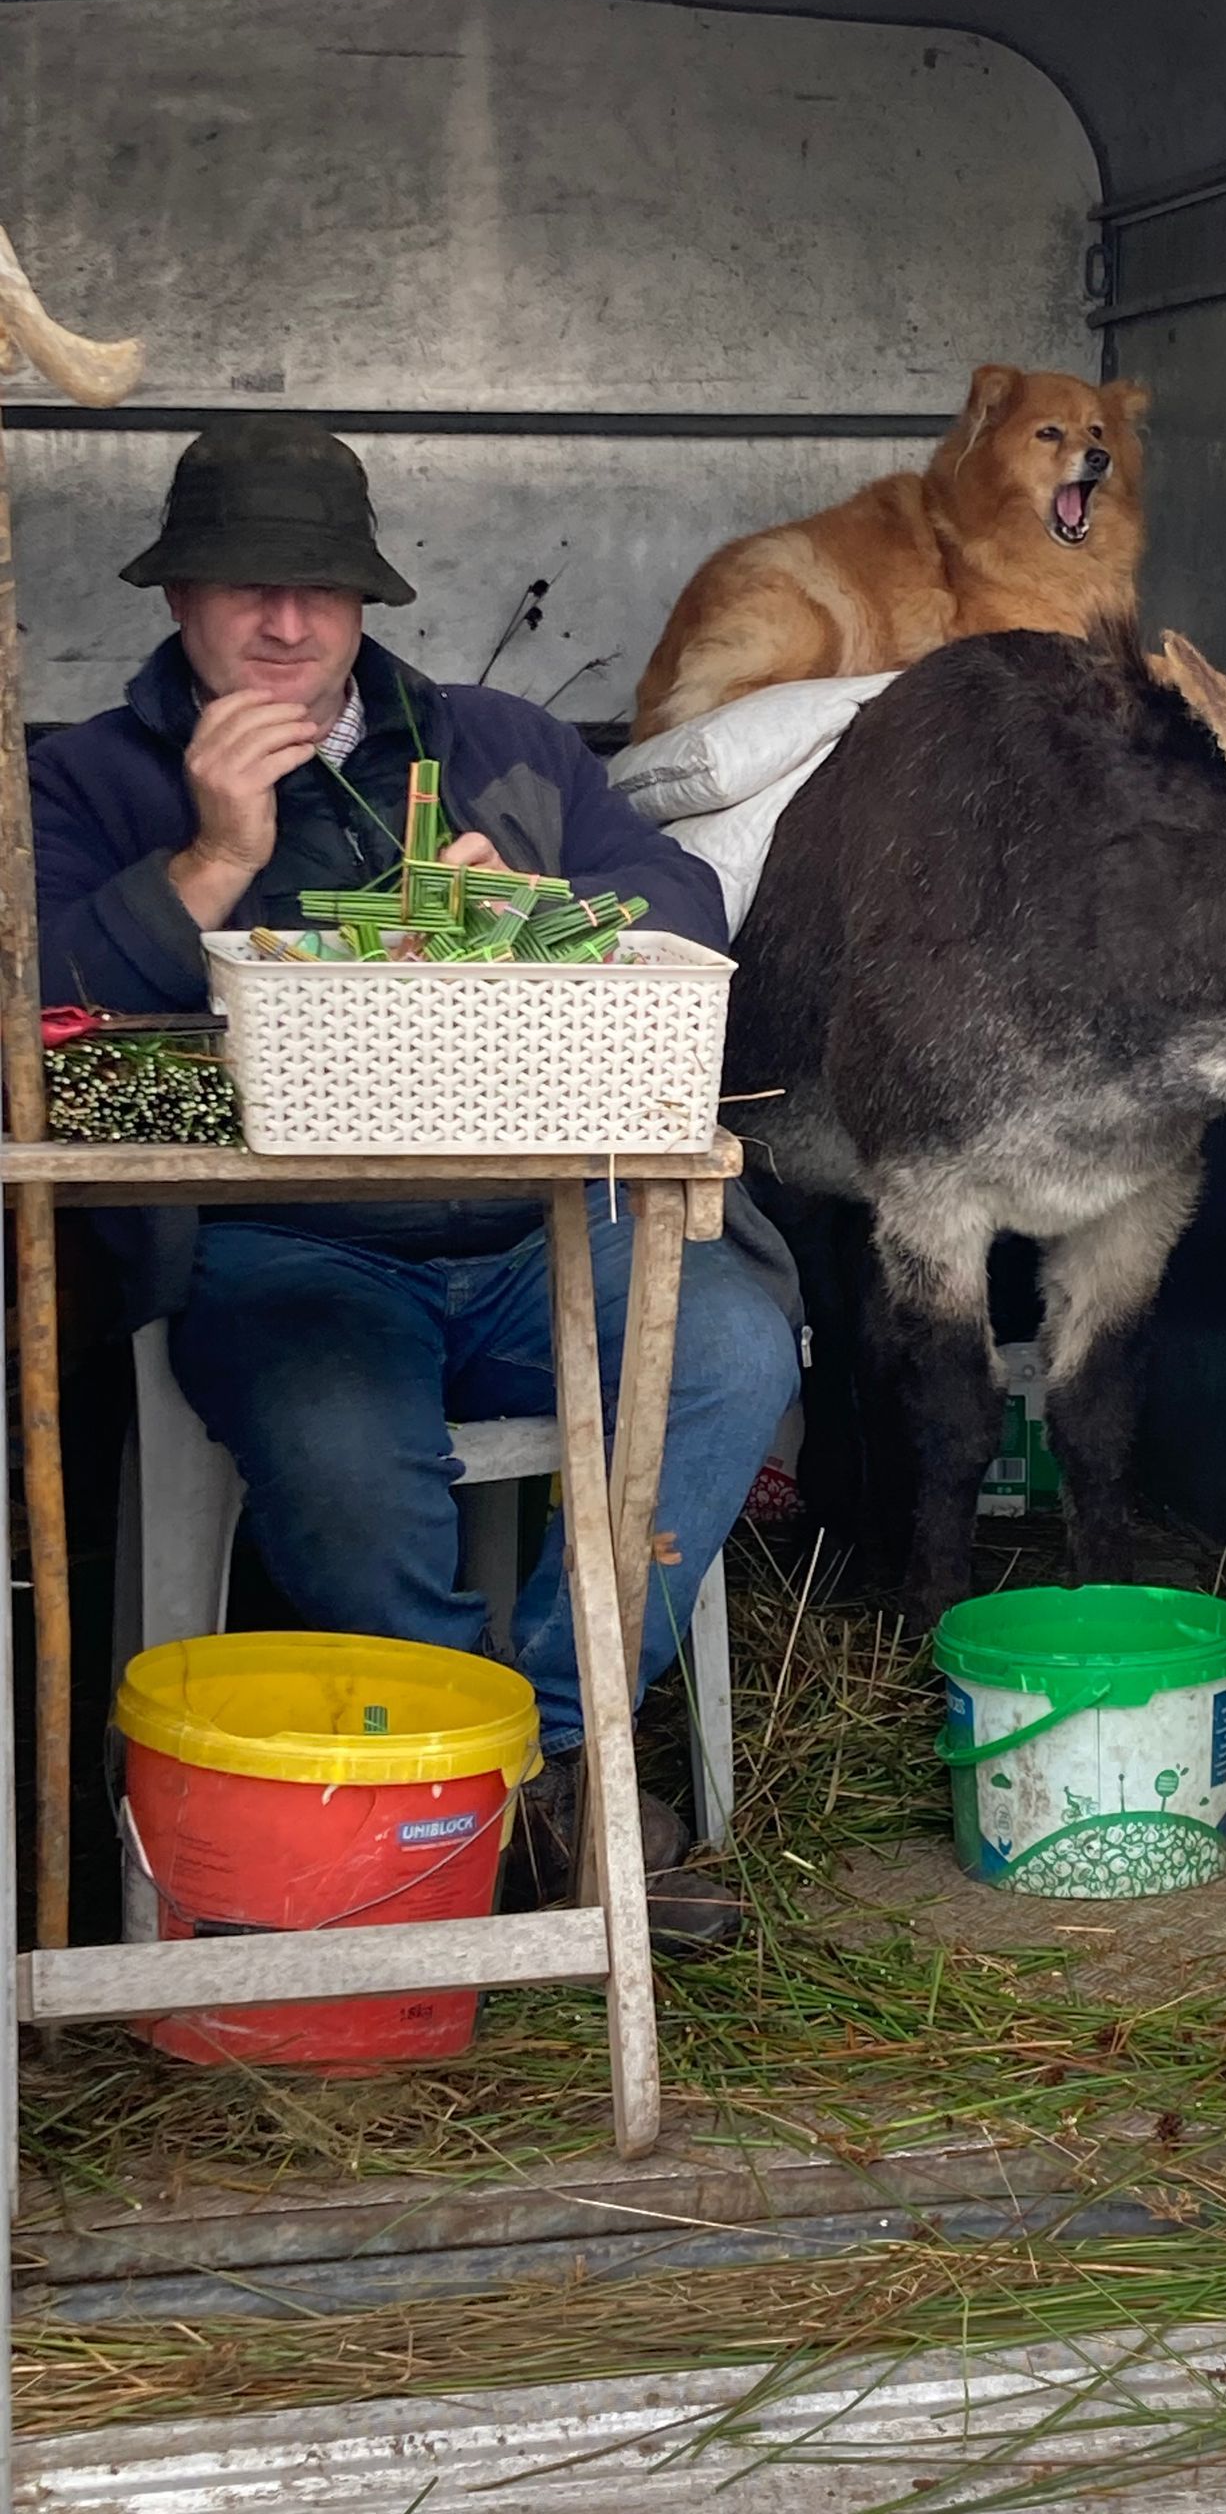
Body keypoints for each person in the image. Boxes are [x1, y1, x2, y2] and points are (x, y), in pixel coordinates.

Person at [31, 416, 801, 1941]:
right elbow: (35, 1003)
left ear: (367, 603)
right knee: (340, 1461)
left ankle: (537, 1755)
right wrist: (206, 857)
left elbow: (684, 898)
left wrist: (553, 906)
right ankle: (496, 1797)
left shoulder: (495, 742)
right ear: (177, 600)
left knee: (723, 1343)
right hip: (284, 1249)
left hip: (538, 1224)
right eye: (245, 588)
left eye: (319, 589)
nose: (285, 623)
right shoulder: (92, 778)